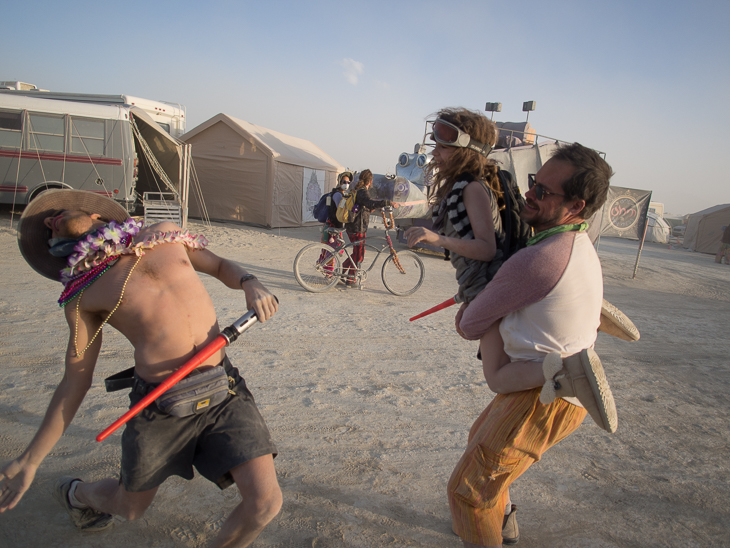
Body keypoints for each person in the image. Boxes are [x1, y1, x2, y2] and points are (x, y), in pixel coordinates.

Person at [0, 190, 282, 547]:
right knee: (129, 507)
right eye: (47, 230)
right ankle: (79, 495)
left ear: (97, 216)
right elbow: (74, 383)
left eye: (55, 212)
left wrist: (250, 282)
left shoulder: (164, 235)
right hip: (159, 406)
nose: (47, 221)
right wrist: (29, 461)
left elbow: (222, 265)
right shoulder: (81, 295)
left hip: (222, 387)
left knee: (265, 503)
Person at [447, 143, 617, 548]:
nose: (529, 195)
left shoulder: (538, 258)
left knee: (469, 492)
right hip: (541, 388)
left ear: (576, 206)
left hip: (545, 397)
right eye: (532, 184)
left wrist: (472, 305)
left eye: (543, 192)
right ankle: (503, 523)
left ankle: (489, 527)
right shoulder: (576, 243)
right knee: (483, 447)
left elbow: (471, 326)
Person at [404, 107, 505, 304]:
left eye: (443, 148)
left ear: (467, 153)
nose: (435, 152)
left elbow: (487, 249)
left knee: (470, 326)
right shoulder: (463, 186)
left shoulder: (473, 189)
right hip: (474, 288)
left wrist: (439, 239)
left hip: (485, 289)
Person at [342, 169, 400, 285]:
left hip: (353, 226)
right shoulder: (363, 191)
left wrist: (369, 209)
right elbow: (370, 203)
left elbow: (363, 205)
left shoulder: (358, 191)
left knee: (356, 253)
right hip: (358, 227)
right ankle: (350, 279)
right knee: (360, 255)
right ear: (370, 181)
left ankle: (343, 271)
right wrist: (388, 202)